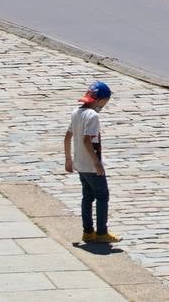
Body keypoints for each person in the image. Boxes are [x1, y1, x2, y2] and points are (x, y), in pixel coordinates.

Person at [63, 80, 120, 245]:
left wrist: (68, 159)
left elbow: (68, 136)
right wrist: (97, 163)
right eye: (105, 102)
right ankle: (102, 232)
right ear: (100, 100)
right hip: (91, 165)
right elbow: (88, 141)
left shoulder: (76, 112)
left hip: (80, 164)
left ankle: (88, 232)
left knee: (87, 197)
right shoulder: (93, 116)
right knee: (102, 196)